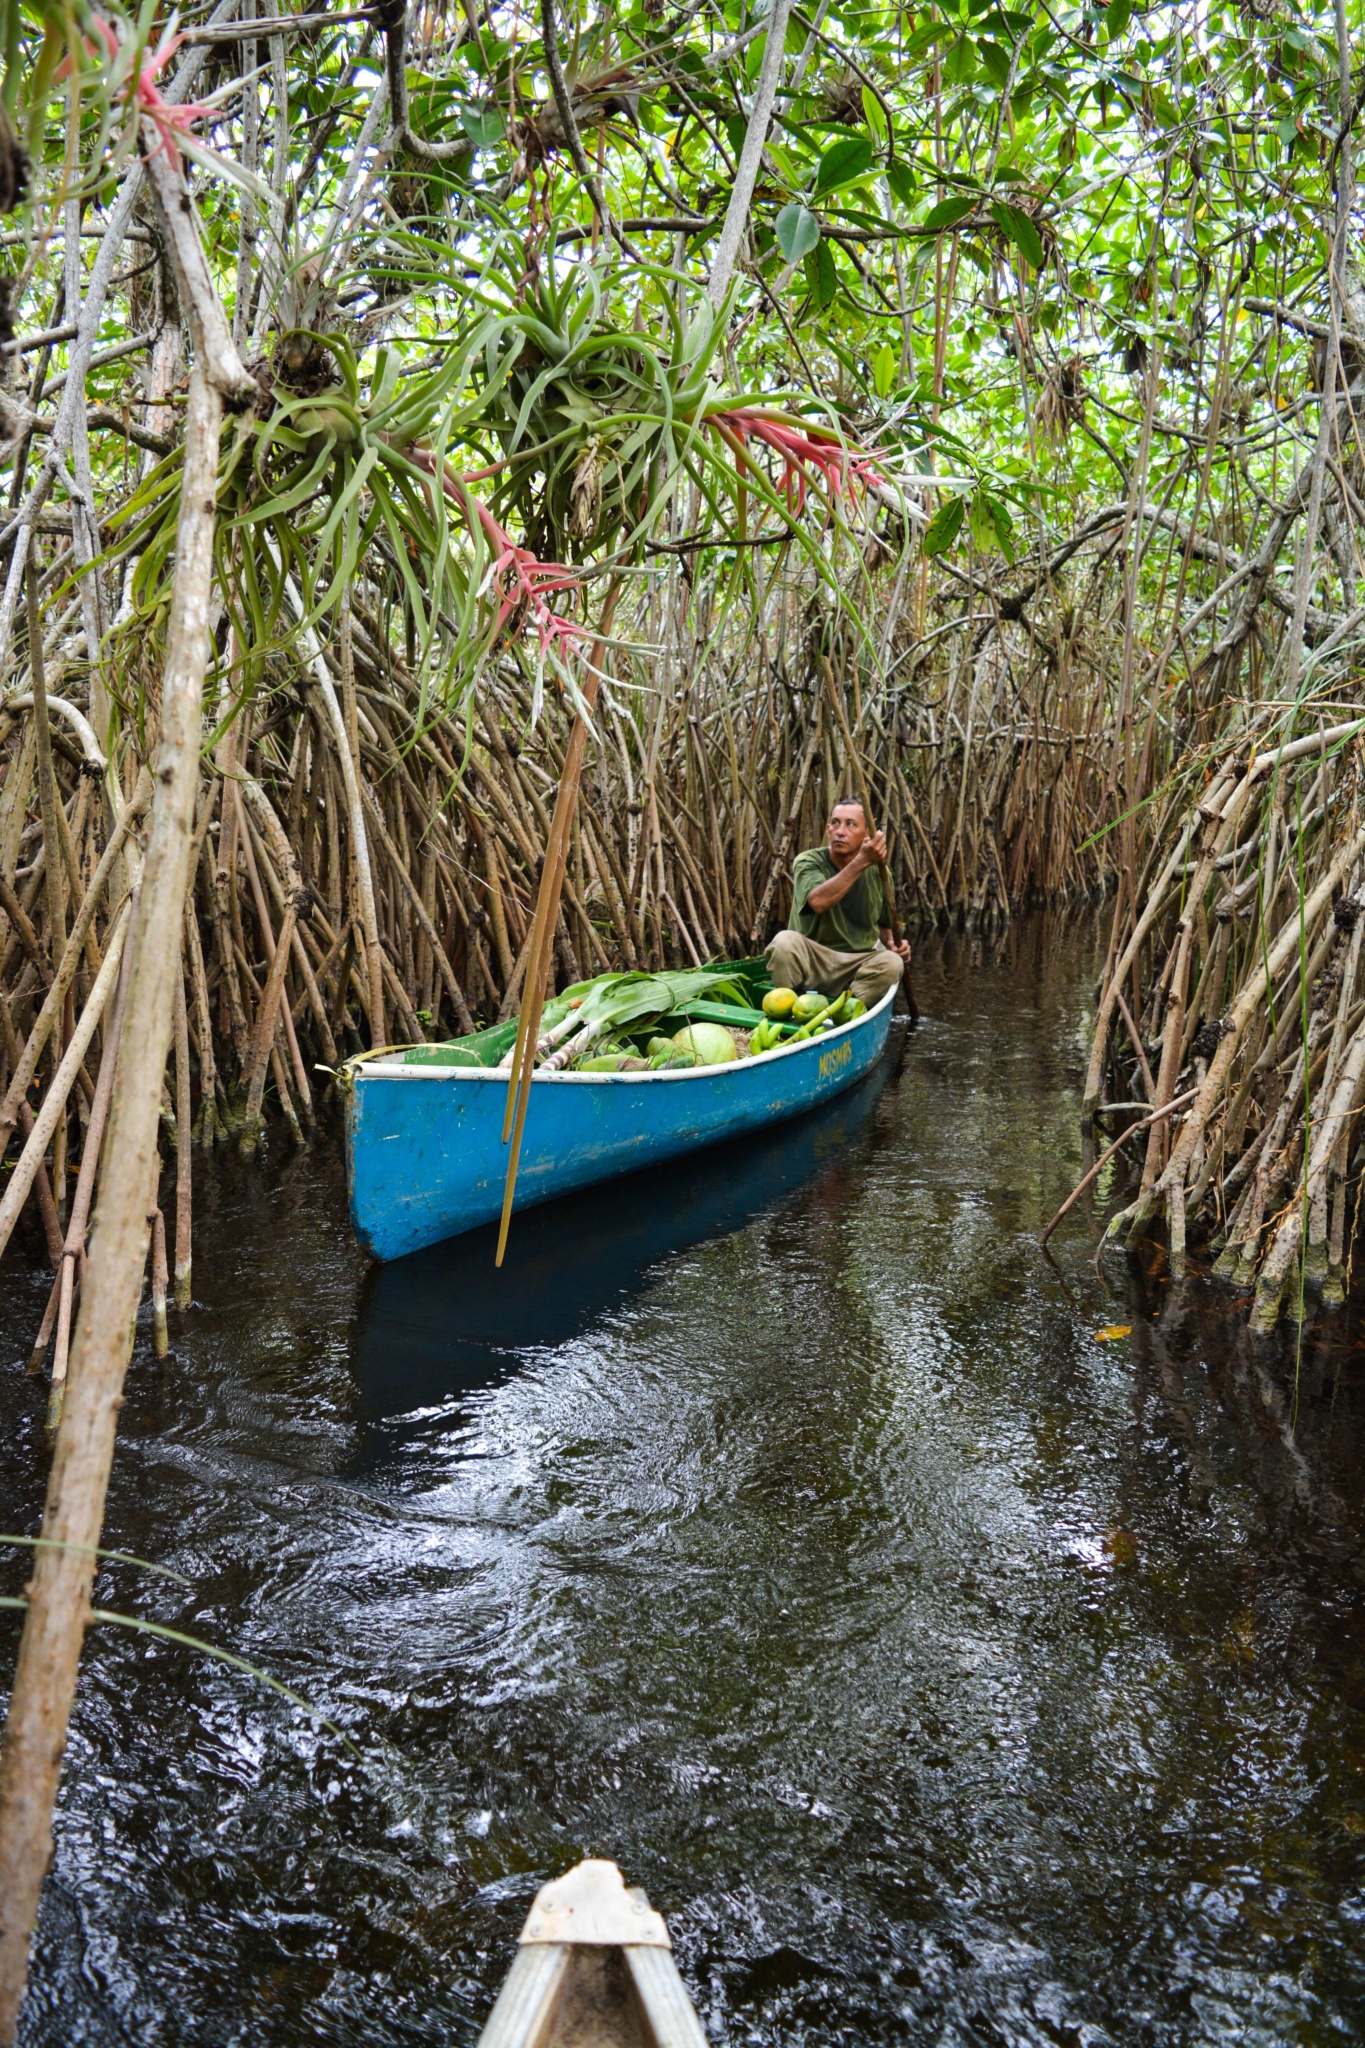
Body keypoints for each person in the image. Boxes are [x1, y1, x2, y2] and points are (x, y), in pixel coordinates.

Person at [765, 797, 912, 1006]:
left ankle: (844, 1008)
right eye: (835, 823)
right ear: (827, 829)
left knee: (893, 963)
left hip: (855, 965)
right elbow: (818, 902)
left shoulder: (880, 872)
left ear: (867, 835)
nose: (840, 831)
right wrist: (862, 861)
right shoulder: (808, 861)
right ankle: (793, 1008)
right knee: (783, 942)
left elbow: (885, 926)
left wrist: (896, 945)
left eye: (850, 824)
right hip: (812, 960)